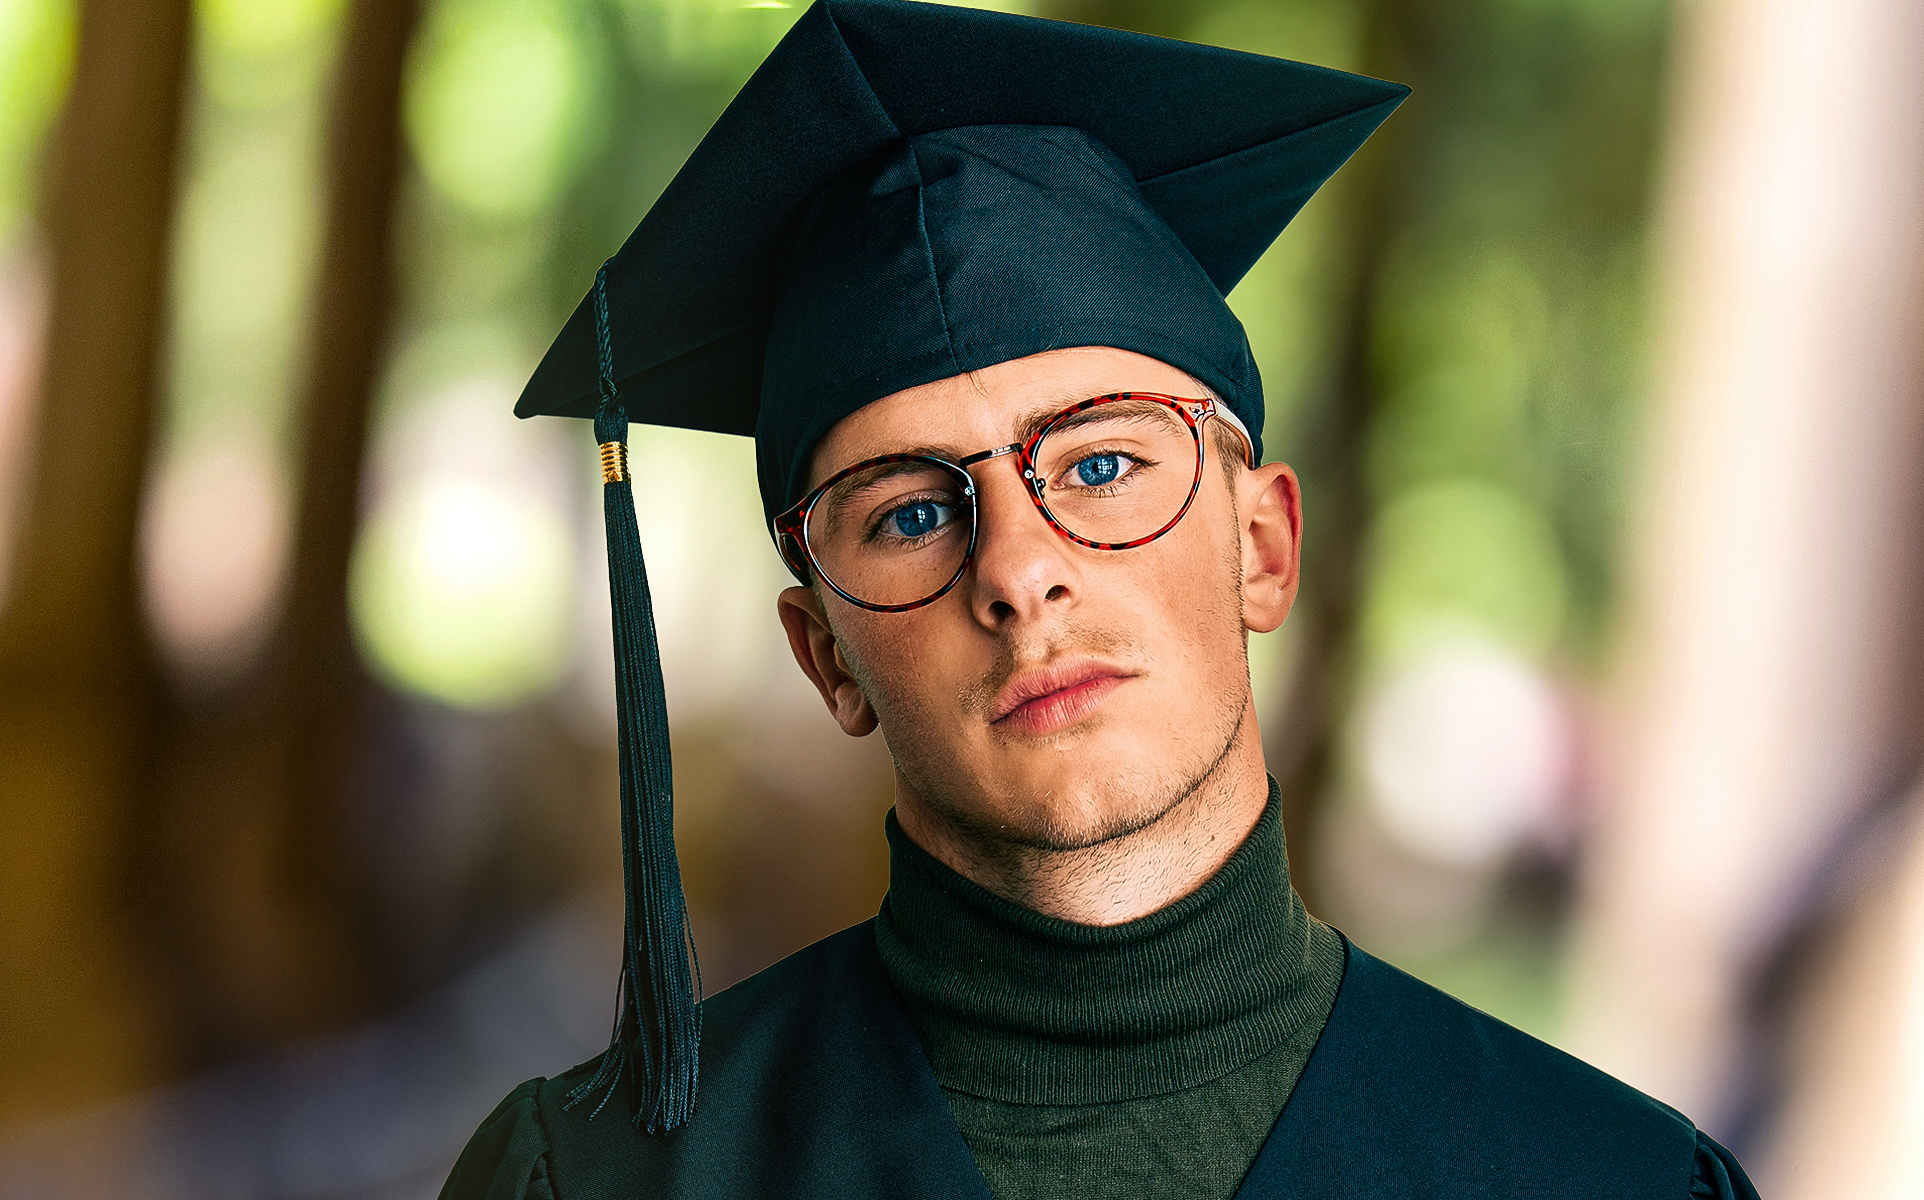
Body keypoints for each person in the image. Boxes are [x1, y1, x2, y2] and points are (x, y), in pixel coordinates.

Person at [440, 1, 1760, 1196]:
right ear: (823, 656)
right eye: (909, 513)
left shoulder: (1607, 1181)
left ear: (1264, 546)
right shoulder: (600, 1185)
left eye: (1104, 461)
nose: (1017, 570)